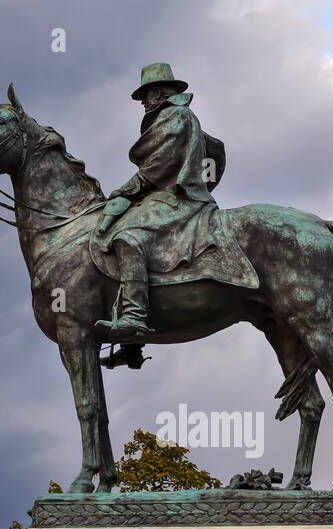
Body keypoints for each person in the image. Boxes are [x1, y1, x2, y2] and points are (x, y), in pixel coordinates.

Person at [95, 63, 226, 337]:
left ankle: (134, 315)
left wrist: (124, 191)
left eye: (146, 94)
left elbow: (160, 165)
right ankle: (130, 343)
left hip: (177, 197)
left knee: (127, 237)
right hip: (163, 195)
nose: (143, 101)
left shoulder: (175, 115)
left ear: (159, 92)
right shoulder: (172, 116)